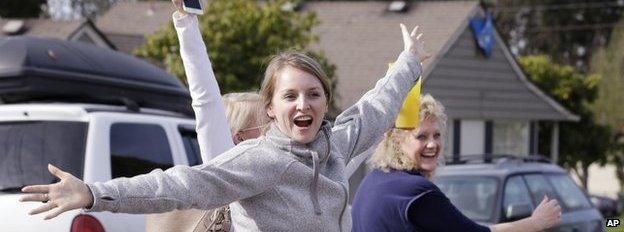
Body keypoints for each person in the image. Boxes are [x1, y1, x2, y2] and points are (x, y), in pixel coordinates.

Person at [19, 4, 431, 230]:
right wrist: (93, 193)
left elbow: (376, 108)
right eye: (290, 96)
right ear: (270, 108)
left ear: (325, 102)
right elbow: (180, 183)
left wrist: (408, 63)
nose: (303, 104)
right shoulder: (257, 160)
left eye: (313, 94)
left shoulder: (336, 145)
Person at [351, 94, 562, 232]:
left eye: (437, 135)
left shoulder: (374, 180)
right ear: (397, 141)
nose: (432, 144)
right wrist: (535, 223)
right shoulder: (415, 190)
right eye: (421, 137)